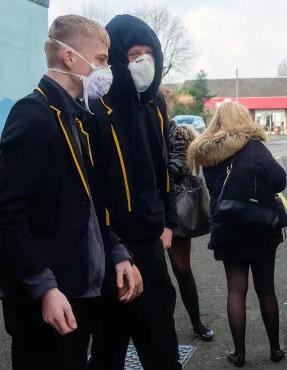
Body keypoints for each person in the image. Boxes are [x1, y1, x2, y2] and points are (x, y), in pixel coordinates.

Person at [0, 15, 139, 370]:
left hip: (78, 294)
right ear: (70, 57)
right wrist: (45, 288)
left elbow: (90, 203)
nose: (107, 69)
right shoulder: (33, 115)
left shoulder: (77, 118)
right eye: (101, 59)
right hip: (46, 300)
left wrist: (117, 251)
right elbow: (7, 214)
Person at [85, 14, 181, 370]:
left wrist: (168, 222)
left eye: (149, 54)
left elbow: (163, 167)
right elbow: (93, 184)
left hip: (150, 241)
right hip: (109, 243)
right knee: (108, 342)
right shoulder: (97, 106)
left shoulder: (155, 103)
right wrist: (112, 246)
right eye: (133, 54)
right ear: (115, 59)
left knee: (160, 342)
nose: (143, 62)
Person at [188, 102, 287, 367]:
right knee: (266, 289)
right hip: (261, 226)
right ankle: (275, 350)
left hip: (227, 227)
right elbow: (279, 181)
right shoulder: (254, 146)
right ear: (244, 119)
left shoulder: (206, 152)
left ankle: (239, 354)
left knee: (235, 289)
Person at [167, 120, 213, 340]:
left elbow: (178, 167)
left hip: (172, 208)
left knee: (182, 269)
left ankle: (197, 323)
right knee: (153, 273)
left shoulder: (173, 131)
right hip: (145, 210)